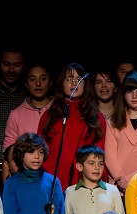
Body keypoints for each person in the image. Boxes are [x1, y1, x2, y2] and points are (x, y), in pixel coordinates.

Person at [39, 63, 106, 191]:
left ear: (85, 84)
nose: (74, 83)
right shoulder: (49, 115)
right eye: (69, 79)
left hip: (84, 181)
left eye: (78, 79)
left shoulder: (95, 116)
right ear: (62, 83)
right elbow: (41, 148)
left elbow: (99, 152)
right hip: (52, 181)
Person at [2, 132, 64, 214]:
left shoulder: (52, 182)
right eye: (31, 152)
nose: (36, 157)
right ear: (21, 155)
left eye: (40, 152)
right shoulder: (12, 184)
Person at [4, 64, 53, 154]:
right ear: (26, 83)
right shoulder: (16, 115)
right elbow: (9, 151)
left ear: (50, 82)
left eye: (43, 79)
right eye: (32, 79)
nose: (38, 84)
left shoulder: (60, 110)